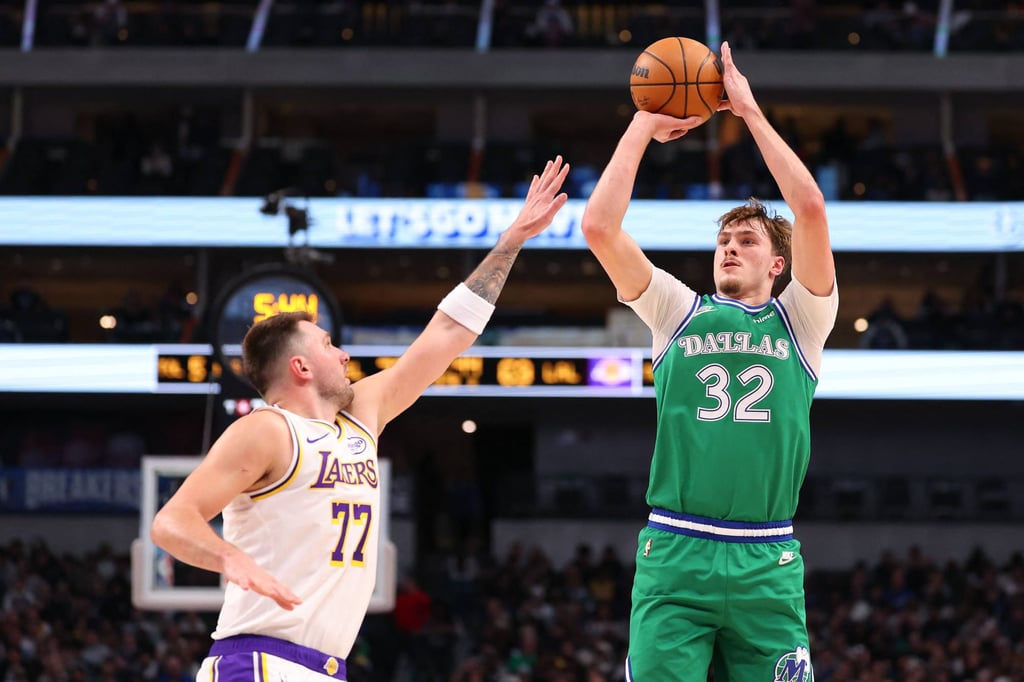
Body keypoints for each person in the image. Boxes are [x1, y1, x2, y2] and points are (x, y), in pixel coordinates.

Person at [150, 156, 570, 681]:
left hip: (326, 667)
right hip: (259, 660)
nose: (345, 355)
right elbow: (171, 522)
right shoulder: (267, 431)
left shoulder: (362, 415)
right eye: (329, 344)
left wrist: (511, 241)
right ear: (299, 367)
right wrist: (229, 559)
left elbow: (446, 335)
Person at [580, 42, 837, 681]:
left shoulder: (802, 320)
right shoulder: (677, 311)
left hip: (766, 557)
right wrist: (645, 120)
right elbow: (599, 229)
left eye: (745, 241)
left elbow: (807, 208)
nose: (728, 248)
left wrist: (748, 112)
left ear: (777, 264)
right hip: (676, 547)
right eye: (723, 239)